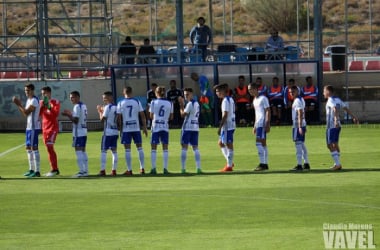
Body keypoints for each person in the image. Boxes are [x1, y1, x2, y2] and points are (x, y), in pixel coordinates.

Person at [323, 85, 359, 171]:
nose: (323, 93)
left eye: (324, 91)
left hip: (332, 125)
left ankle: (338, 164)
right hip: (337, 125)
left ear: (328, 92)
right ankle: (337, 163)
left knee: (330, 145)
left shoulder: (331, 100)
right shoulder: (338, 99)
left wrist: (335, 120)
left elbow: (335, 109)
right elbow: (346, 108)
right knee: (334, 144)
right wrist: (354, 117)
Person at [117, 87, 148, 175]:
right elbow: (142, 115)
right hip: (136, 128)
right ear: (131, 92)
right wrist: (145, 127)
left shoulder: (120, 103)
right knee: (139, 148)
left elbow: (119, 117)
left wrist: (119, 128)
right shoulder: (137, 101)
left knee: (127, 149)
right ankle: (142, 168)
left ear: (124, 92)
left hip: (126, 129)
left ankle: (129, 170)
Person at [12, 83, 41, 177]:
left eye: (28, 90)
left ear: (32, 90)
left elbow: (26, 111)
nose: (26, 92)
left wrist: (18, 104)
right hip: (29, 127)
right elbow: (25, 114)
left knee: (34, 148)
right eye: (25, 90)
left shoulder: (34, 101)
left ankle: (37, 171)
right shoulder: (29, 100)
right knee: (28, 148)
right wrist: (20, 105)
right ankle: (31, 169)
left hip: (33, 128)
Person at [62, 91, 88, 177]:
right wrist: (71, 114)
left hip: (78, 132)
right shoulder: (83, 105)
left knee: (78, 151)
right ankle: (86, 171)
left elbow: (76, 120)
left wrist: (68, 115)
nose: (71, 99)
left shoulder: (77, 106)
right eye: (70, 97)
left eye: (72, 97)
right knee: (83, 151)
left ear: (77, 97)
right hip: (84, 131)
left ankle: (81, 171)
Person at [149, 86, 173, 174]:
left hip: (155, 126)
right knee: (165, 148)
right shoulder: (170, 103)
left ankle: (154, 168)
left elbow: (151, 116)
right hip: (165, 126)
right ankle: (165, 169)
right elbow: (171, 117)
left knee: (153, 148)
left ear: (156, 93)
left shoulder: (153, 102)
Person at [178, 88, 202, 174]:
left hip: (187, 127)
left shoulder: (190, 104)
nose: (186, 96)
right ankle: (199, 168)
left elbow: (183, 115)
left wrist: (181, 105)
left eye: (187, 94)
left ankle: (183, 168)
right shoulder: (197, 103)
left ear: (192, 94)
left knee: (184, 147)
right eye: (185, 95)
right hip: (195, 127)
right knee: (195, 147)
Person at [248, 83, 271, 171]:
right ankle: (265, 163)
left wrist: (267, 123)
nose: (249, 91)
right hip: (258, 124)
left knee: (258, 143)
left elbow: (268, 111)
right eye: (248, 89)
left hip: (262, 124)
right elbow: (257, 113)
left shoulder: (263, 98)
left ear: (255, 89)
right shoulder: (255, 100)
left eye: (250, 89)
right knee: (263, 144)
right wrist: (255, 125)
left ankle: (262, 163)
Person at [214, 83, 236, 172]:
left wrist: (220, 127)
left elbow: (225, 115)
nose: (217, 93)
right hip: (231, 124)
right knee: (220, 143)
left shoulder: (225, 101)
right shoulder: (230, 99)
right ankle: (229, 161)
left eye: (218, 91)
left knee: (229, 145)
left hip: (228, 126)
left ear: (224, 91)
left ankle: (229, 166)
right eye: (216, 91)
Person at [96, 91, 119, 176]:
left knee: (104, 151)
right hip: (115, 131)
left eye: (104, 98)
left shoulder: (107, 107)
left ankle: (102, 170)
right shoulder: (116, 107)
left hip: (108, 132)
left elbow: (102, 119)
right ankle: (114, 170)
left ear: (109, 97)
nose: (103, 100)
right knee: (114, 151)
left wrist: (99, 111)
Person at [40, 86, 61, 177]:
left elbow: (55, 114)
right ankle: (54, 169)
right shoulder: (41, 102)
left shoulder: (55, 102)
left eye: (45, 93)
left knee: (50, 147)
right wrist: (42, 105)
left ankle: (55, 169)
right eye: (42, 94)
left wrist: (48, 105)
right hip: (44, 129)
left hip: (52, 128)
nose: (43, 95)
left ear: (49, 93)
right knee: (48, 149)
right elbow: (39, 114)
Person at [289, 85, 310, 171]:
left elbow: (300, 113)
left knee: (298, 144)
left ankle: (299, 164)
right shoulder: (301, 99)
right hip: (301, 124)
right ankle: (306, 163)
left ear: (297, 91)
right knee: (301, 144)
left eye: (293, 92)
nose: (291, 93)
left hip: (298, 125)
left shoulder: (297, 100)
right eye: (290, 92)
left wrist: (300, 126)